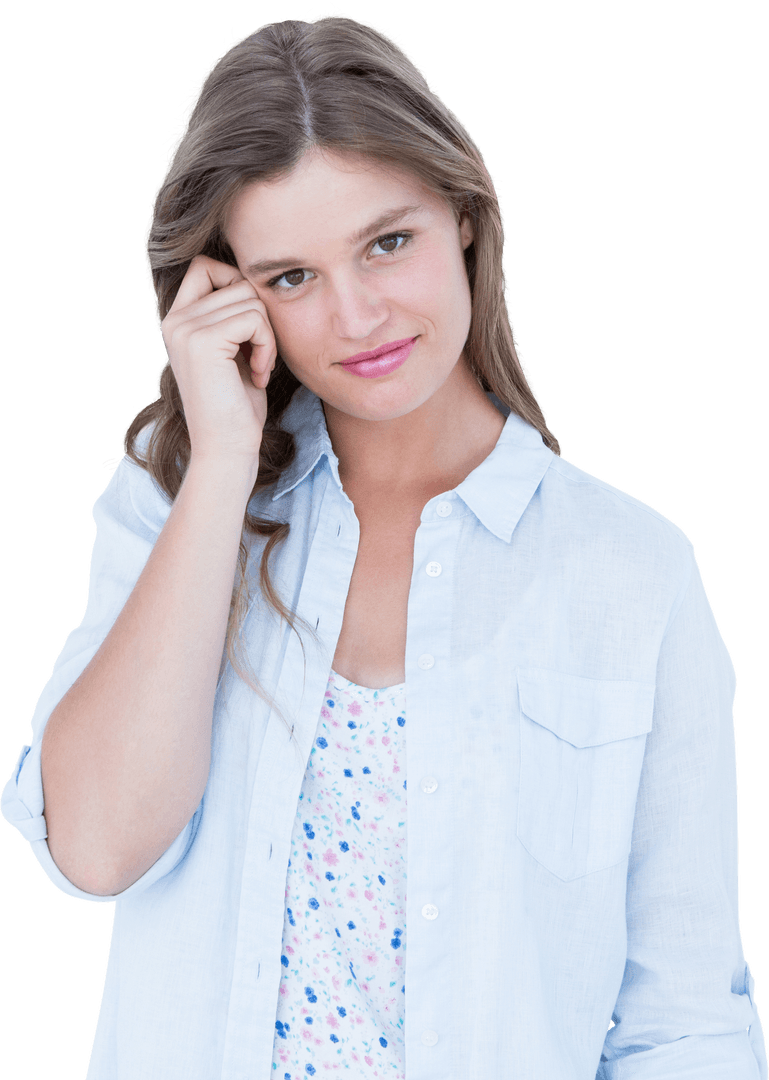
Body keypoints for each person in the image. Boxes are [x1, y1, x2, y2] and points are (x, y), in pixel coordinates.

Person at [1, 12, 766, 1079]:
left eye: (386, 242)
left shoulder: (629, 572)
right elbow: (93, 850)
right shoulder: (173, 508)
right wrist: (220, 463)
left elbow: (681, 1020)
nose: (356, 317)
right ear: (227, 293)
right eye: (291, 277)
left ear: (460, 211)